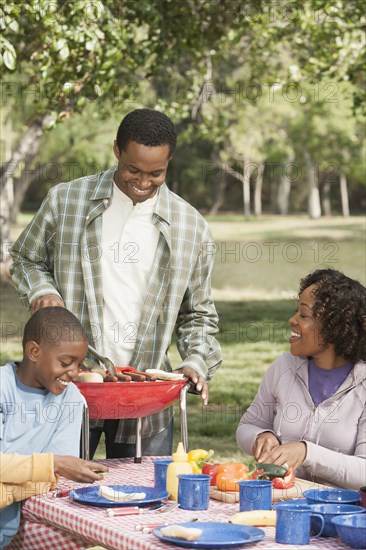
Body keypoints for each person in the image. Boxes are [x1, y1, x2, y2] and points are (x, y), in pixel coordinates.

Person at [9, 108, 222, 459]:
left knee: (145, 503)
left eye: (156, 173)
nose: (142, 181)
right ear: (116, 151)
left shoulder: (191, 227)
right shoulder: (66, 202)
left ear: (169, 162)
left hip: (145, 395)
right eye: (133, 169)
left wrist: (196, 361)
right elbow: (24, 258)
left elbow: (197, 314)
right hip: (70, 388)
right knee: (55, 496)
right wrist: (42, 290)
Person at [236, 268, 366, 490]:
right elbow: (248, 426)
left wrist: (306, 453)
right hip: (280, 502)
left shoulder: (362, 384)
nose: (292, 320)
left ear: (336, 329)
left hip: (342, 515)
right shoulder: (283, 367)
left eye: (304, 315)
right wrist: (261, 436)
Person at [0, 307, 101, 547]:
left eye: (79, 363)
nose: (74, 372)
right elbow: (58, 466)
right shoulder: (3, 388)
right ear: (34, 351)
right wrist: (52, 463)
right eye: (66, 362)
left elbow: (54, 479)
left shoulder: (71, 399)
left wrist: (8, 486)